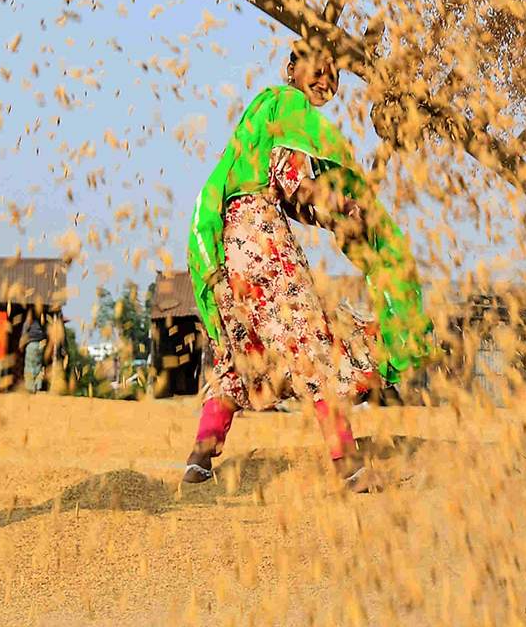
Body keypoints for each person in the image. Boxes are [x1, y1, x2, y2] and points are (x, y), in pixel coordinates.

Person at [181, 43, 433, 492]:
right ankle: (350, 467)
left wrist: (334, 211)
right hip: (263, 239)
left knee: (247, 353)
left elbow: (286, 189)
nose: (325, 81)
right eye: (318, 70)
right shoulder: (290, 108)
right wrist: (341, 209)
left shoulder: (262, 111)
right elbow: (293, 182)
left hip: (230, 246)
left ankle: (199, 461)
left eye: (333, 75)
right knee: (313, 345)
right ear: (292, 69)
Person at [22, 307, 50, 392]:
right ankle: (38, 386)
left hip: (32, 343)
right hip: (41, 344)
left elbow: (25, 328)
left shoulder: (30, 318)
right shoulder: (43, 320)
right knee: (38, 366)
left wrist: (22, 341)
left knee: (29, 365)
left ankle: (30, 387)